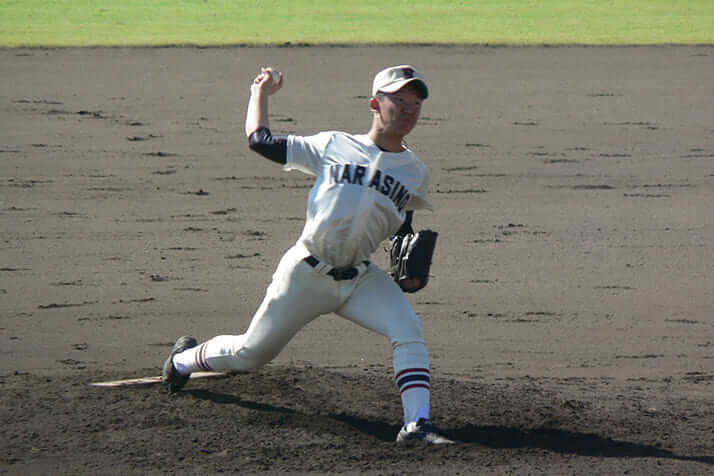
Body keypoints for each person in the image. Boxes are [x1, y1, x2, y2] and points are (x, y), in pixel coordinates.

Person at [162, 65, 452, 444]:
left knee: (408, 330)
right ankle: (183, 359)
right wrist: (261, 94)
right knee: (251, 353)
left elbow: (402, 224)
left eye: (415, 103)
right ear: (374, 104)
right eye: (398, 100)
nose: (408, 109)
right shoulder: (332, 145)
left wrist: (406, 265)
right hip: (305, 274)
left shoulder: (415, 172)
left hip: (361, 280)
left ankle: (417, 425)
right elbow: (260, 140)